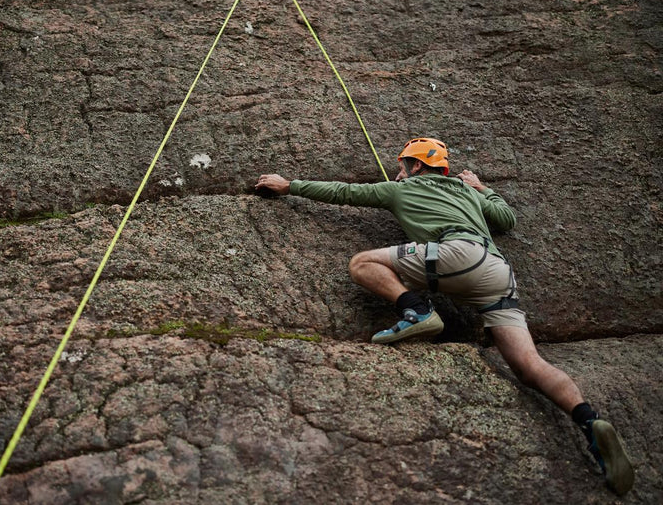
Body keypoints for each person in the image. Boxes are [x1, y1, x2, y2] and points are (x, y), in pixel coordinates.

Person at [255, 137, 634, 495]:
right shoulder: (468, 191)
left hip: (455, 257)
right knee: (529, 365)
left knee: (362, 264)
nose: (399, 173)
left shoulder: (401, 189)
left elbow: (344, 192)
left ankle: (417, 310)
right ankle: (588, 420)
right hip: (497, 273)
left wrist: (290, 185)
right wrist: (483, 188)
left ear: (417, 166)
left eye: (403, 167)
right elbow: (506, 219)